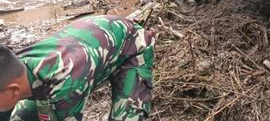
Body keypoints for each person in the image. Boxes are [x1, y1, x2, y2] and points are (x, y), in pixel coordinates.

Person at [0, 15, 154, 120]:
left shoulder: (65, 85)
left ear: (14, 90)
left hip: (131, 47)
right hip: (90, 46)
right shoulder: (11, 69)